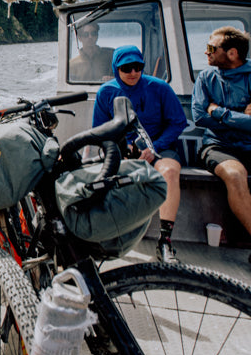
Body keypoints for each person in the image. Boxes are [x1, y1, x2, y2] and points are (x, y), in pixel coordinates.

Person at [92, 45, 187, 263]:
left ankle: (165, 241)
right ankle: (105, 236)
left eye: (138, 67)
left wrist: (154, 149)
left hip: (161, 148)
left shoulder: (160, 88)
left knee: (170, 172)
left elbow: (178, 123)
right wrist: (120, 153)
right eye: (127, 68)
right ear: (117, 69)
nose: (133, 72)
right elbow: (100, 131)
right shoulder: (106, 92)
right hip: (123, 151)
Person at [192, 26, 251, 256]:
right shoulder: (206, 78)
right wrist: (241, 117)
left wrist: (220, 113)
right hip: (218, 146)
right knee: (235, 176)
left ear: (233, 53)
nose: (206, 53)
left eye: (210, 48)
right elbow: (199, 117)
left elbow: (211, 115)